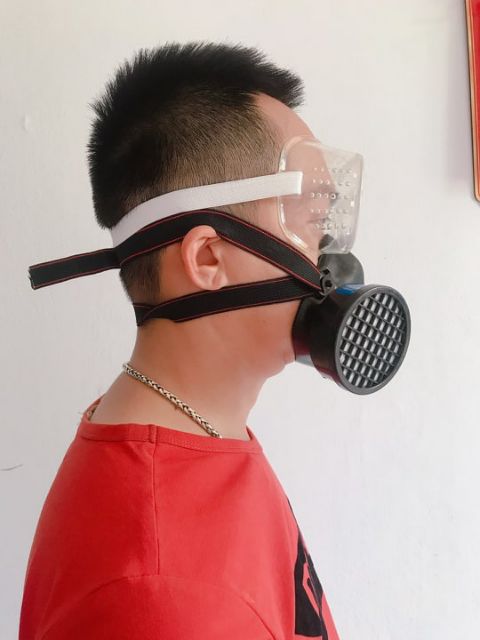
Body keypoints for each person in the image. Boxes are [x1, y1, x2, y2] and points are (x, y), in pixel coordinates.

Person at [19, 41, 341, 639]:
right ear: (209, 258)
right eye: (309, 224)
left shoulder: (194, 434)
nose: (329, 258)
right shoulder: (163, 594)